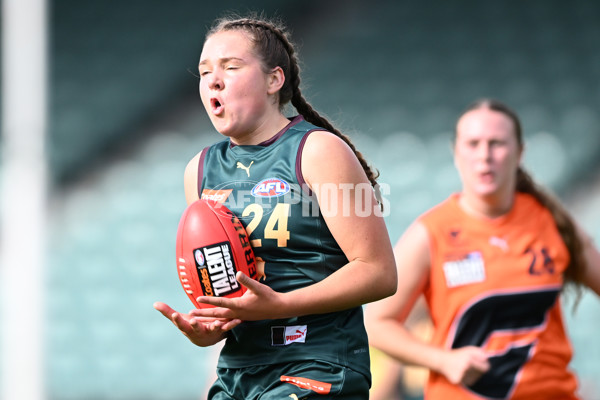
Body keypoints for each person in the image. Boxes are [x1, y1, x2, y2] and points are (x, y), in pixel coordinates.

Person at [153, 13, 397, 399]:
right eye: (204, 71)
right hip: (239, 370)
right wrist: (208, 330)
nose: (213, 80)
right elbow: (227, 293)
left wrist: (280, 305)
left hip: (318, 363)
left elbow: (380, 273)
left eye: (231, 66)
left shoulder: (322, 150)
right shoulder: (198, 169)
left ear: (274, 80)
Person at [365, 98, 600, 400]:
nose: (485, 155)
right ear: (456, 153)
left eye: (497, 143)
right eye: (473, 144)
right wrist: (443, 360)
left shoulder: (551, 221)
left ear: (519, 152)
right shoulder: (431, 233)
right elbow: (377, 322)